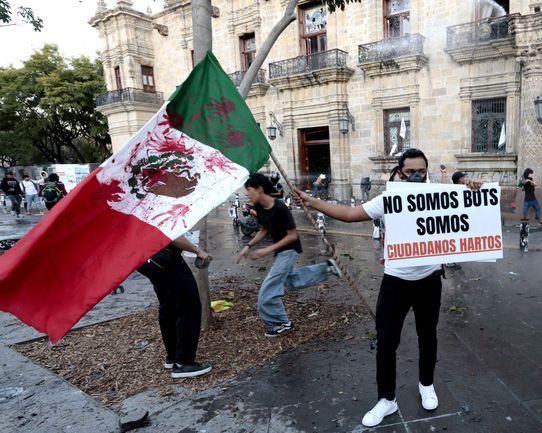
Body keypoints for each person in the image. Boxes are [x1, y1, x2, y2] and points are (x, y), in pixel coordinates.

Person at [293, 149, 483, 428]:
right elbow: (348, 213)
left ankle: (426, 384)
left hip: (429, 280)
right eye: (411, 172)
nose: (417, 176)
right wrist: (313, 202)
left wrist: (473, 187)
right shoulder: (389, 198)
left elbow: (473, 208)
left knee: (427, 336)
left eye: (421, 171)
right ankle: (386, 399)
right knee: (385, 342)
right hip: (395, 281)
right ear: (399, 172)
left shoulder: (441, 195)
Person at [238, 173, 341, 337]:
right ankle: (327, 269)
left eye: (248, 190)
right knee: (292, 281)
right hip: (281, 251)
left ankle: (281, 323)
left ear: (259, 189)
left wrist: (267, 250)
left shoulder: (280, 208)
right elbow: (265, 229)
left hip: (290, 250)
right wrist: (249, 245)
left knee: (268, 290)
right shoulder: (258, 206)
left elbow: (292, 236)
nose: (246, 193)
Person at [137, 236, 213, 378]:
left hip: (149, 260)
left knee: (168, 306)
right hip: (167, 259)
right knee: (189, 306)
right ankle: (184, 362)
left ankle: (173, 356)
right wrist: (198, 250)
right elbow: (170, 235)